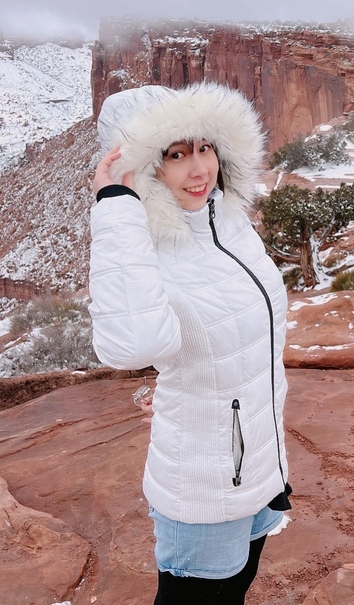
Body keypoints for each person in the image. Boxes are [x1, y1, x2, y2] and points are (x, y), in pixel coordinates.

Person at [88, 81, 291, 604]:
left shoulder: (228, 220)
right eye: (175, 155)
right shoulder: (146, 248)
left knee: (238, 588)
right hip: (201, 480)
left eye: (204, 148)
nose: (199, 170)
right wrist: (116, 207)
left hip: (258, 460)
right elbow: (130, 347)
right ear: (143, 167)